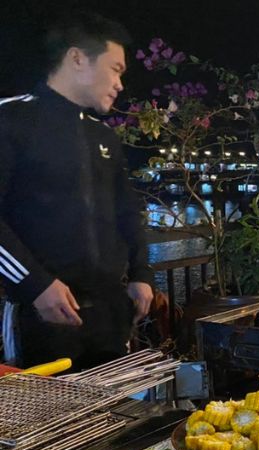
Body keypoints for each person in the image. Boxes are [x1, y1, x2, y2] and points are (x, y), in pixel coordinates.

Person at [0, 13, 153, 370]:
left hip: (111, 314)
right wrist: (35, 285)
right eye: (115, 69)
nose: (119, 84)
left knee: (117, 405)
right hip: (42, 314)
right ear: (77, 58)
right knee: (47, 407)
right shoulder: (11, 121)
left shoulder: (103, 136)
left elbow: (127, 212)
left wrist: (142, 274)